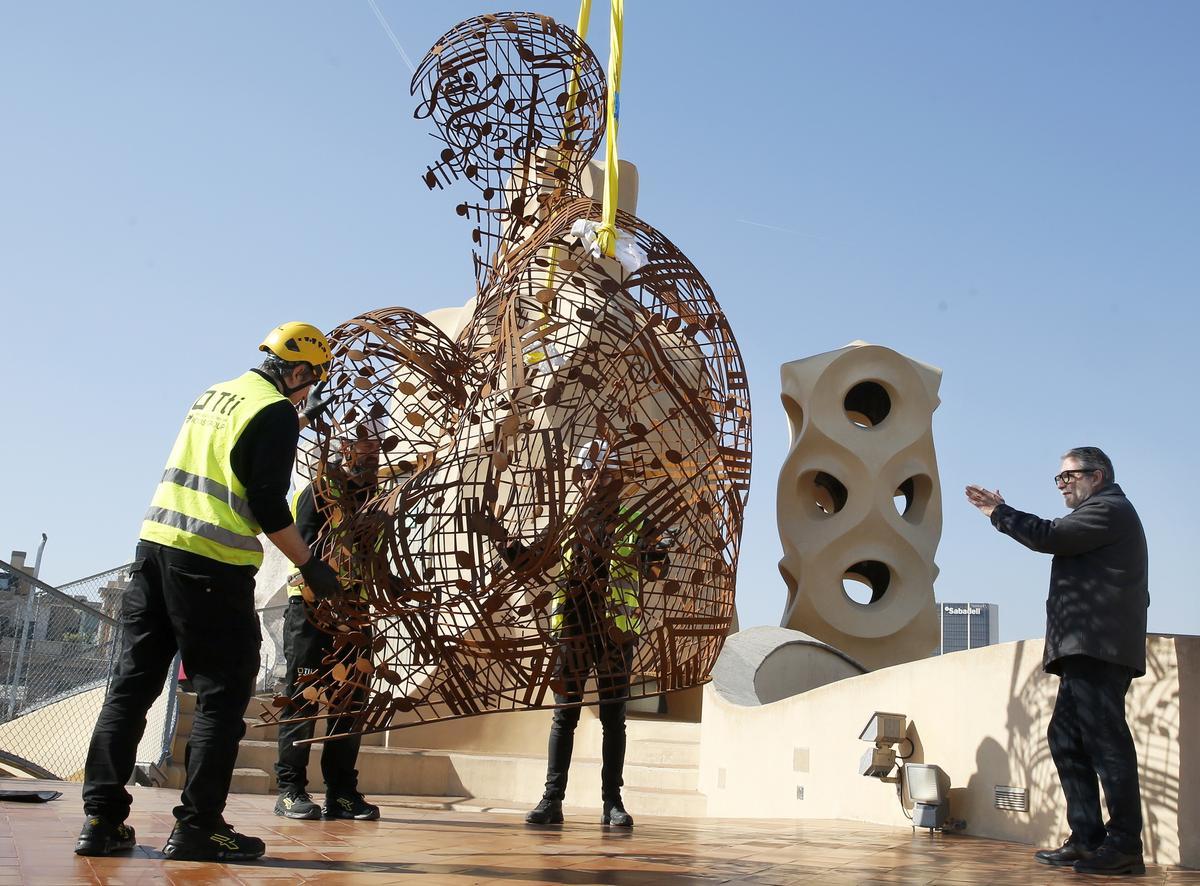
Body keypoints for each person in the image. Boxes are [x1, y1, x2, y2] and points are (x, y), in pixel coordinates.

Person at [75, 323, 344, 862]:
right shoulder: (273, 413)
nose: (306, 395)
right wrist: (312, 566)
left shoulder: (216, 394)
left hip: (154, 552)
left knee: (130, 689)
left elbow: (224, 459)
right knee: (223, 697)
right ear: (296, 372)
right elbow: (268, 504)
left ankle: (101, 821)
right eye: (309, 384)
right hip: (212, 567)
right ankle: (199, 827)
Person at [966, 446, 1148, 877]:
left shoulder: (1111, 509)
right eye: (1059, 478)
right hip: (1082, 648)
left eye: (1070, 476)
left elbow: (1051, 537)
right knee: (1065, 738)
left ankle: (1124, 845)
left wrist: (999, 511)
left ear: (1097, 476)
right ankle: (1087, 839)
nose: (1062, 484)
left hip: (1098, 648)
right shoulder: (1099, 511)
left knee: (1107, 743)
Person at [520, 441, 666, 829]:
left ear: (616, 476)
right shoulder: (570, 518)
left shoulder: (636, 520)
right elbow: (537, 558)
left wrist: (658, 552)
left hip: (616, 632)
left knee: (613, 719)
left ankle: (612, 802)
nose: (595, 478)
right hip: (573, 628)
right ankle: (552, 799)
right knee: (563, 716)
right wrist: (507, 545)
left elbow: (656, 571)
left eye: (602, 471)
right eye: (589, 471)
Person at [273, 434, 386, 822]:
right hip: (310, 608)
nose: (372, 455)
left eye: (378, 448)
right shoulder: (318, 492)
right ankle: (290, 789)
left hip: (356, 611)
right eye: (364, 447)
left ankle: (341, 792)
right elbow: (301, 548)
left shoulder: (374, 501)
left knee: (350, 702)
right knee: (304, 696)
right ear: (345, 451)